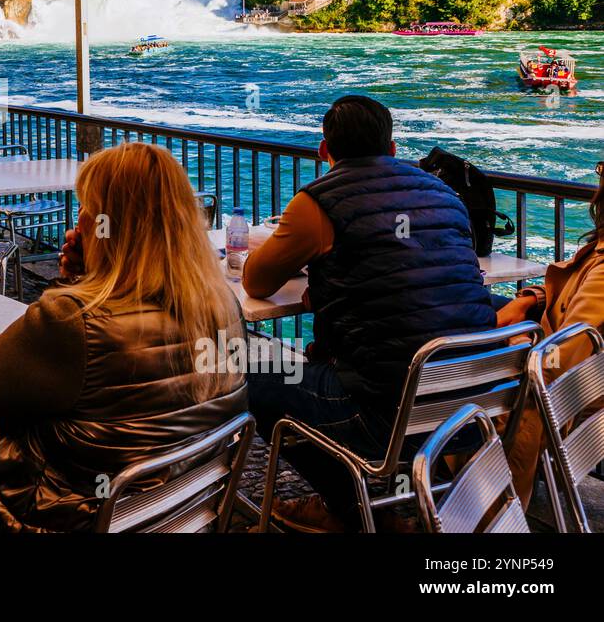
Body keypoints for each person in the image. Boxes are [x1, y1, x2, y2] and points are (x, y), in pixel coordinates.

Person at [0, 143, 248, 532]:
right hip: (181, 508)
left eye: (86, 207)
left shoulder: (74, 320)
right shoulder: (222, 305)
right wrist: (83, 283)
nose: (81, 219)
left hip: (68, 515)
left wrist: (66, 289)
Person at [243, 95, 496, 532]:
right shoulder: (446, 195)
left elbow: (256, 284)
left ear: (324, 151)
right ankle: (397, 500)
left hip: (384, 412)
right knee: (337, 362)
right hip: (470, 403)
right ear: (393, 148)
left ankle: (353, 513)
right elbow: (418, 273)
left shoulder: (318, 201)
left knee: (250, 367)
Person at [499, 161, 604, 505]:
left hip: (555, 403)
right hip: (563, 384)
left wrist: (516, 342)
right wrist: (533, 299)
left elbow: (560, 359)